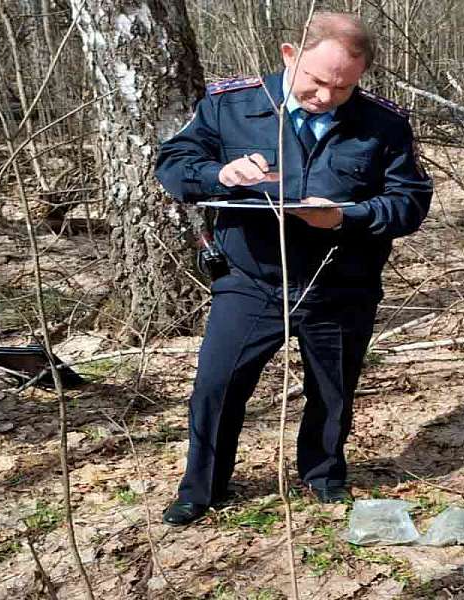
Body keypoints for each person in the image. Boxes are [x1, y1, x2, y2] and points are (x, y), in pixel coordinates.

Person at [154, 12, 433, 525]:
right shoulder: (230, 105)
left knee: (332, 388)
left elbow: (409, 203)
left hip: (340, 281)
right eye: (317, 81)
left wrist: (343, 216)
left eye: (343, 87)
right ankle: (202, 488)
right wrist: (218, 172)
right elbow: (173, 165)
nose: (326, 96)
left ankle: (323, 475)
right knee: (218, 386)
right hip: (251, 279)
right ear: (289, 55)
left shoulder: (383, 124)